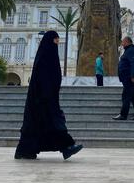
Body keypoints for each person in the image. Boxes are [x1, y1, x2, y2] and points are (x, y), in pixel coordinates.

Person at [14, 31, 83, 160]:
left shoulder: (47, 54)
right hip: (43, 98)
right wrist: (47, 94)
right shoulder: (45, 56)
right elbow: (43, 78)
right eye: (56, 40)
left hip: (47, 97)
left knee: (42, 125)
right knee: (54, 122)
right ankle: (67, 147)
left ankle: (26, 151)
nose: (57, 42)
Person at [112, 36, 134, 121]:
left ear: (127, 42)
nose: (122, 44)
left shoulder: (131, 50)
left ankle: (123, 115)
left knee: (126, 96)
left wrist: (133, 76)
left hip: (130, 78)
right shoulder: (128, 50)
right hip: (128, 78)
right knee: (133, 97)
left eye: (123, 42)